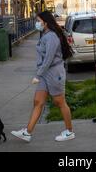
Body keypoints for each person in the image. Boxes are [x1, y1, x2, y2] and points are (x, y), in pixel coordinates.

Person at [12, 11, 75, 142]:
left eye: (38, 21)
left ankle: (69, 131)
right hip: (45, 73)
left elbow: (49, 58)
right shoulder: (45, 34)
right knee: (38, 101)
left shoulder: (51, 36)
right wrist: (40, 74)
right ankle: (27, 132)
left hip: (54, 73)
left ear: (45, 22)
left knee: (60, 102)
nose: (37, 23)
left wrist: (38, 74)